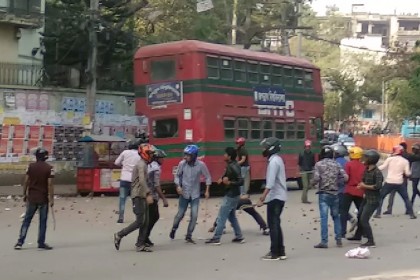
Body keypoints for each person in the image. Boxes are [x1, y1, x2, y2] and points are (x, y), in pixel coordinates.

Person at [113, 144, 155, 252]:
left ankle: (140, 244)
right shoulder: (141, 164)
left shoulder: (145, 164)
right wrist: (148, 193)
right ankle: (119, 235)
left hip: (142, 195)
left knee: (146, 221)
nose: (152, 156)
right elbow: (141, 180)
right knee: (140, 221)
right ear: (144, 153)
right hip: (138, 195)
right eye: (150, 153)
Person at [170, 144, 212, 244]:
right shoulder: (182, 164)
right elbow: (177, 176)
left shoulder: (201, 165)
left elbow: (208, 177)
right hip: (184, 193)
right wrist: (178, 186)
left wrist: (207, 190)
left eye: (188, 155)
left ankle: (189, 235)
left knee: (194, 215)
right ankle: (174, 228)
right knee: (180, 214)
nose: (186, 157)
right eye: (185, 155)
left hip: (195, 194)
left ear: (194, 156)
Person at [15, 148, 54, 250]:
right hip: (43, 199)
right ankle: (41, 243)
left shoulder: (30, 167)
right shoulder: (49, 168)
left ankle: (20, 242)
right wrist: (51, 198)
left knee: (27, 220)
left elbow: (26, 181)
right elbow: (50, 184)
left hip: (32, 198)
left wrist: (24, 194)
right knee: (42, 222)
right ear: (45, 157)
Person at [206, 147, 244, 245]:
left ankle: (216, 237)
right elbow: (228, 175)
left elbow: (240, 181)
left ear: (229, 156)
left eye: (225, 154)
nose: (224, 155)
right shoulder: (231, 165)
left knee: (222, 216)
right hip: (233, 194)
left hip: (231, 195)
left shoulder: (233, 166)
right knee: (231, 217)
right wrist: (222, 179)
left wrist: (229, 182)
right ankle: (239, 236)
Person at [257, 137, 288, 261]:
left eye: (265, 148)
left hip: (275, 197)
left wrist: (262, 198)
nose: (263, 150)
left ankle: (274, 252)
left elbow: (270, 183)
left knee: (273, 225)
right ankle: (281, 251)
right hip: (279, 196)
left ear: (271, 148)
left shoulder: (273, 162)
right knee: (276, 224)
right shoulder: (277, 159)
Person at [312, 145, 348, 249]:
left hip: (323, 194)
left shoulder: (318, 164)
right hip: (335, 194)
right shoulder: (336, 164)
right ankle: (339, 239)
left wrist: (312, 184)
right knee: (336, 217)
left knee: (324, 218)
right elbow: (345, 177)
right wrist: (337, 181)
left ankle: (324, 241)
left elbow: (316, 178)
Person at [347, 150, 383, 248]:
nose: (364, 160)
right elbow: (363, 181)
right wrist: (361, 186)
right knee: (359, 216)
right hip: (366, 197)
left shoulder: (377, 172)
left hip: (373, 200)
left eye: (366, 158)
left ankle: (371, 240)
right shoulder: (366, 170)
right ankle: (358, 235)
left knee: (364, 219)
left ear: (371, 159)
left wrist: (364, 186)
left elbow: (378, 186)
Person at [374, 145, 416, 219]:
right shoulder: (405, 161)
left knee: (381, 197)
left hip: (389, 181)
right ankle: (411, 214)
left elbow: (382, 167)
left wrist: (373, 169)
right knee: (406, 198)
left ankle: (378, 213)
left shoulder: (390, 159)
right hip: (399, 182)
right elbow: (408, 173)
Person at [145, 148, 169, 247]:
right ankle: (144, 237)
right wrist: (164, 198)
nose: (163, 160)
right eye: (162, 158)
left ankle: (145, 237)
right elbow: (156, 185)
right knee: (153, 217)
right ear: (157, 158)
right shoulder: (156, 169)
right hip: (151, 196)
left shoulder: (151, 166)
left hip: (148, 194)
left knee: (152, 217)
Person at [340, 146, 365, 237]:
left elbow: (346, 178)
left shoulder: (348, 164)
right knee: (361, 212)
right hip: (359, 190)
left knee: (343, 211)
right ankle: (361, 232)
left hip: (349, 190)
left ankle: (342, 232)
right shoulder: (363, 165)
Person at [114, 139, 141, 223]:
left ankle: (121, 217)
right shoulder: (139, 155)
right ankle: (137, 216)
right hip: (134, 180)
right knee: (135, 199)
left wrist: (124, 164)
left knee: (122, 199)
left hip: (124, 179)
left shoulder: (125, 152)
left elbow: (116, 163)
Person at [298, 140, 316, 204]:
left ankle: (304, 198)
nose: (307, 148)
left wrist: (313, 171)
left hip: (310, 171)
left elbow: (313, 163)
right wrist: (300, 170)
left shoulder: (312, 154)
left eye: (308, 146)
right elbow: (299, 163)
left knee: (309, 186)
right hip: (304, 171)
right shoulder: (301, 153)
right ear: (304, 147)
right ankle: (304, 200)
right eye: (306, 146)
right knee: (305, 186)